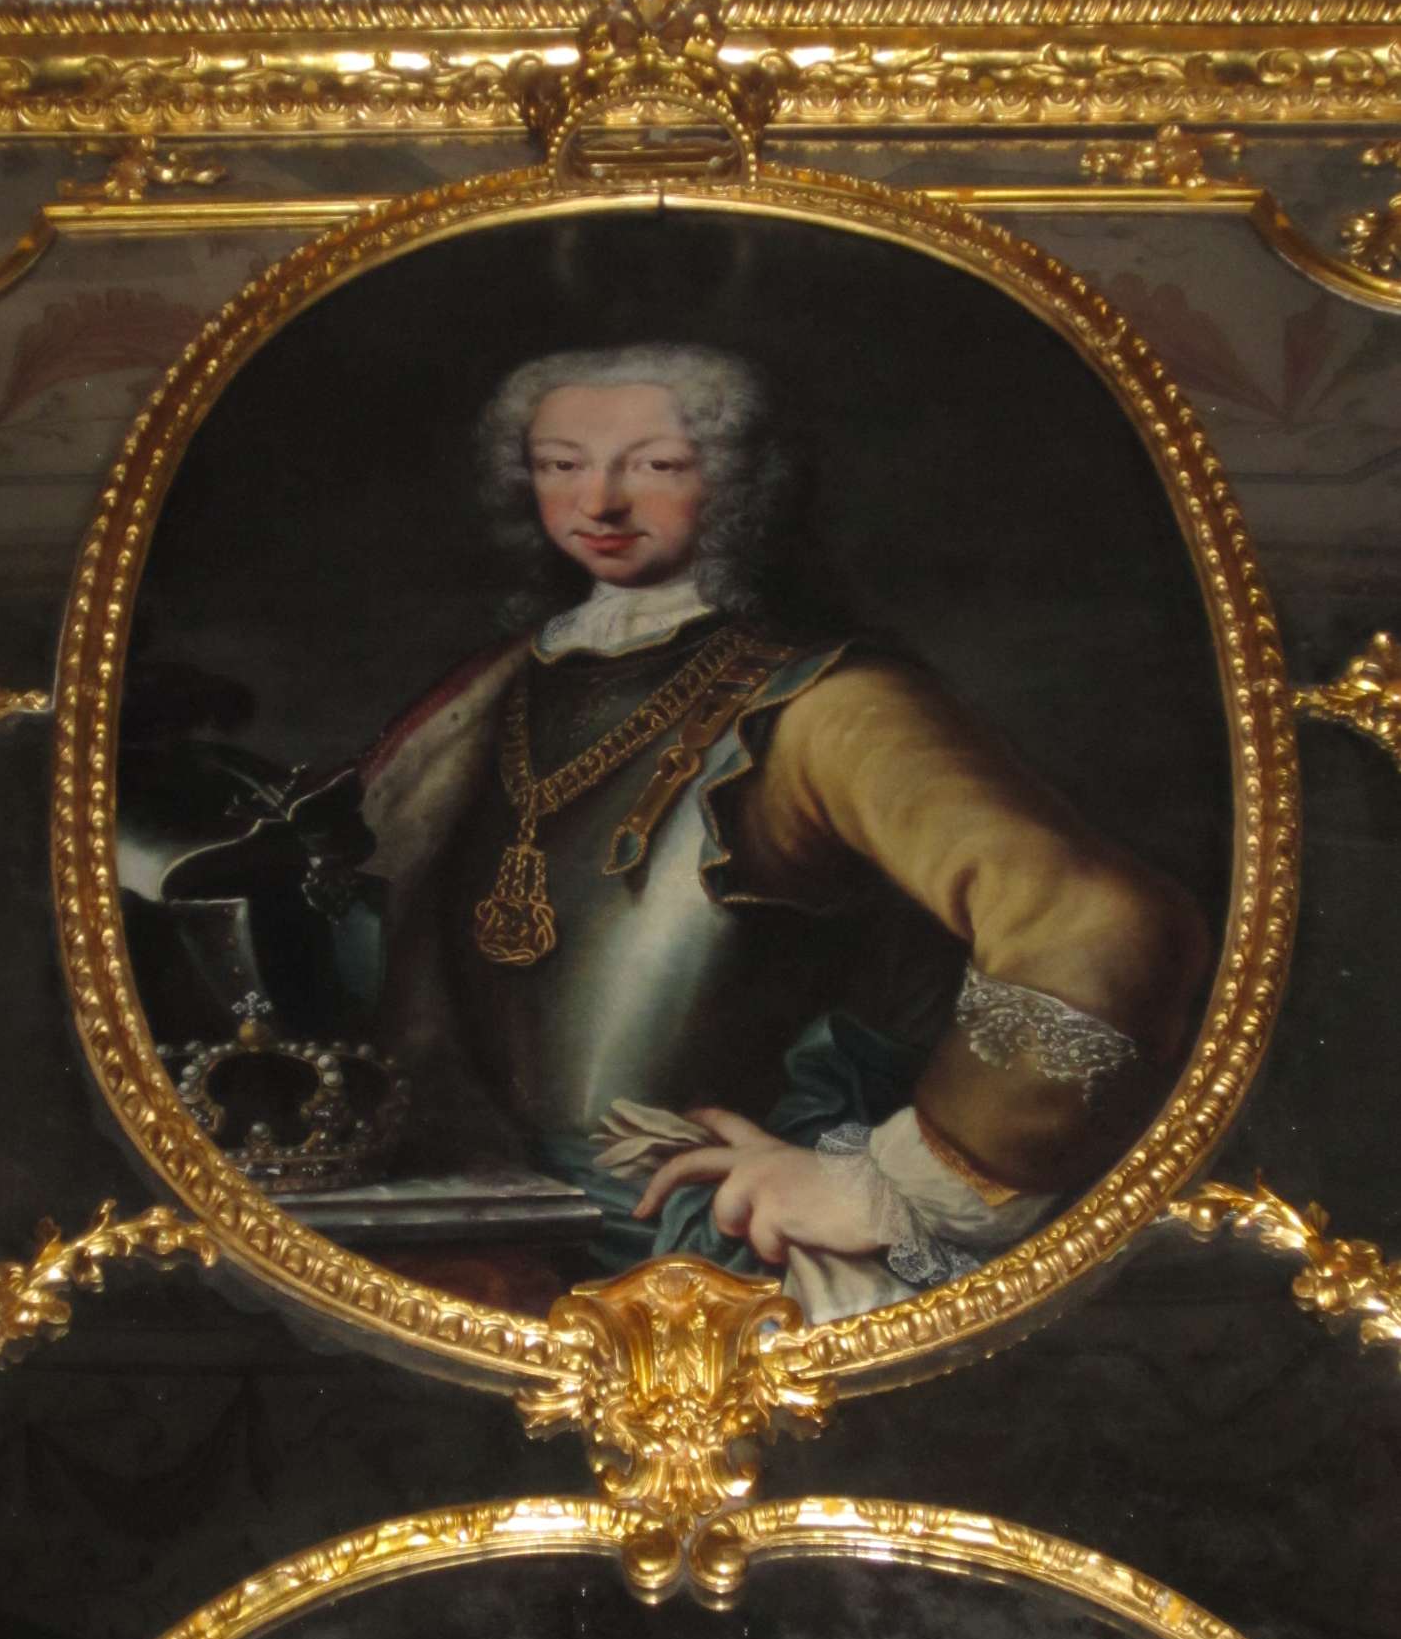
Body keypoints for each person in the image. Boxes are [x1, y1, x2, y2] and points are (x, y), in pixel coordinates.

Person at [358, 344, 1208, 1319]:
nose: (601, 500)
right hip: (492, 1246)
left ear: (737, 480)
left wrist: (898, 1181)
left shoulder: (826, 706)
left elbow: (1100, 924)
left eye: (656, 465)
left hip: (718, 1271)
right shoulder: (493, 693)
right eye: (561, 463)